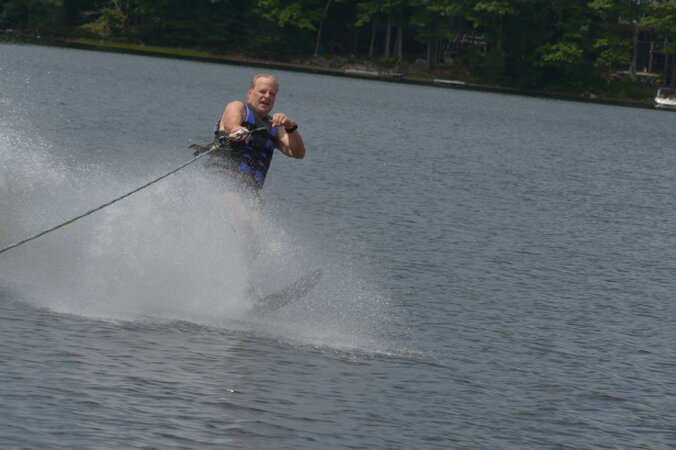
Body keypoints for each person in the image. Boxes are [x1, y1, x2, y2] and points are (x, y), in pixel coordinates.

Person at [204, 74, 306, 264]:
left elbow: (298, 153)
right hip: (223, 181)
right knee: (243, 227)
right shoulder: (238, 107)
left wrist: (291, 127)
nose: (267, 96)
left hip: (250, 190)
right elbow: (231, 122)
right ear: (250, 93)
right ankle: (231, 273)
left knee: (255, 239)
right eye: (262, 91)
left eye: (272, 94)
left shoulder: (275, 127)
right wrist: (237, 129)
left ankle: (245, 278)